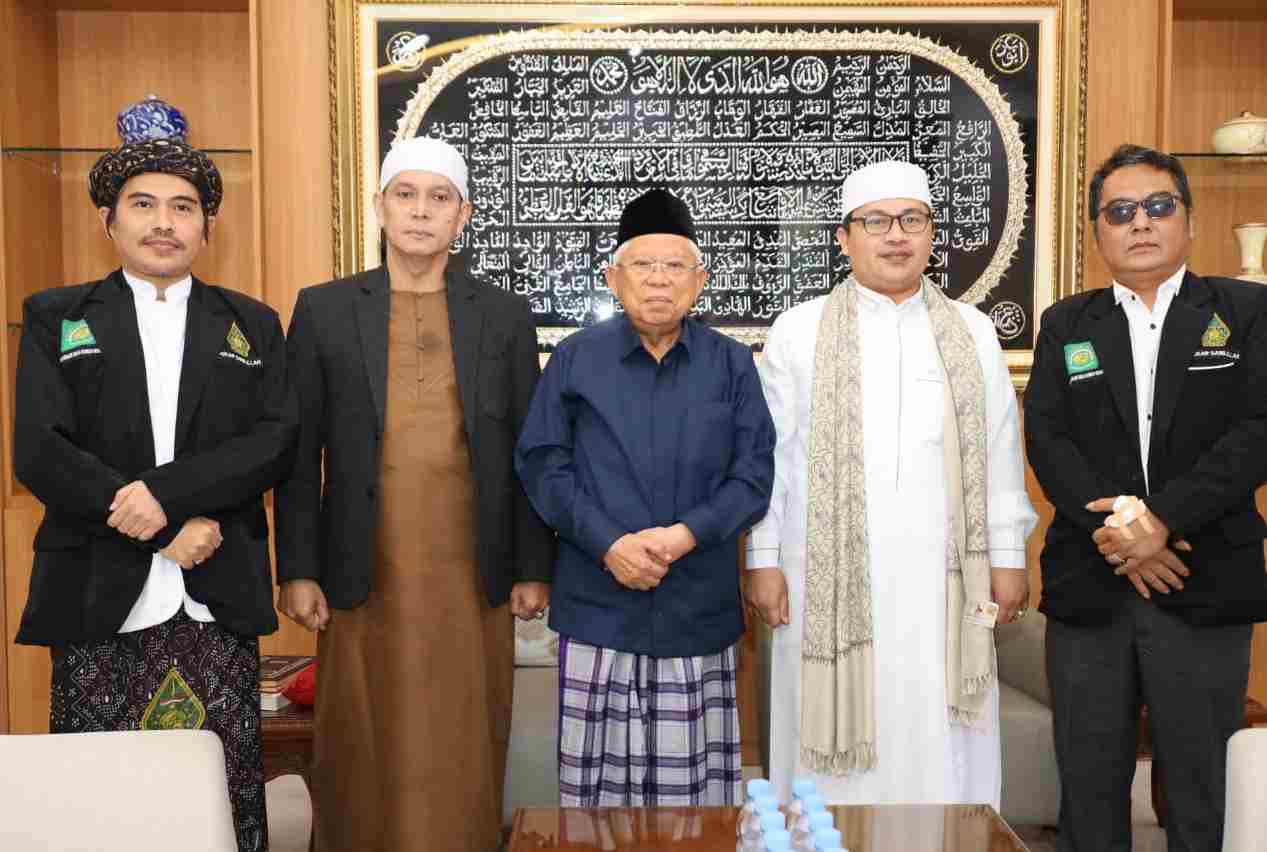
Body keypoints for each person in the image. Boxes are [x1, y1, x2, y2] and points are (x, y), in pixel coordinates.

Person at [13, 135, 298, 852]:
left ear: (208, 227)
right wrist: (164, 528)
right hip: (95, 593)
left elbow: (273, 442)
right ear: (108, 220)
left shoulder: (251, 323)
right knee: (99, 806)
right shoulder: (57, 316)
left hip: (215, 592)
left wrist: (162, 497)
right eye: (143, 205)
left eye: (184, 207)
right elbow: (41, 452)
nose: (164, 222)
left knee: (219, 798)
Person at [274, 136, 554, 851]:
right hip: (362, 565)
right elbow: (298, 454)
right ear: (380, 207)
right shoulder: (325, 309)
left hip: (470, 567)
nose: (421, 211)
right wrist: (297, 568)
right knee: (362, 734)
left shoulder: (503, 315)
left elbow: (529, 449)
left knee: (465, 730)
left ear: (463, 216)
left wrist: (532, 566)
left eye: (439, 198)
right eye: (406, 195)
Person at [745, 160, 1037, 807]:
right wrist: (762, 559)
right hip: (821, 575)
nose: (896, 235)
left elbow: (998, 451)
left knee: (941, 731)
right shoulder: (799, 330)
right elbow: (772, 458)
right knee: (829, 758)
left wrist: (1009, 557)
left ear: (932, 234)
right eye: (875, 221)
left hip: (945, 580)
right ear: (844, 238)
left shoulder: (972, 331)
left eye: (911, 219)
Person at [1024, 143, 1267, 852]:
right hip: (1091, 583)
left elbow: (1256, 431)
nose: (1139, 222)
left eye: (1158, 206)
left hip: (1203, 577)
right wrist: (1126, 534)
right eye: (1119, 211)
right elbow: (1048, 439)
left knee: (1199, 788)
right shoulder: (1066, 323)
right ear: (1097, 232)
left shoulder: (1247, 310)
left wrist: (1160, 519)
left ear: (1188, 220)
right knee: (1088, 785)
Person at [515, 188, 776, 807]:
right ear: (613, 278)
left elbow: (753, 475)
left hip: (697, 609)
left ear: (700, 281)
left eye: (674, 265)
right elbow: (543, 464)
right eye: (643, 265)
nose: (659, 279)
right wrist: (609, 544)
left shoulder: (732, 365)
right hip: (598, 605)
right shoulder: (574, 360)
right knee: (596, 809)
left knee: (694, 812)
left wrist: (684, 535)